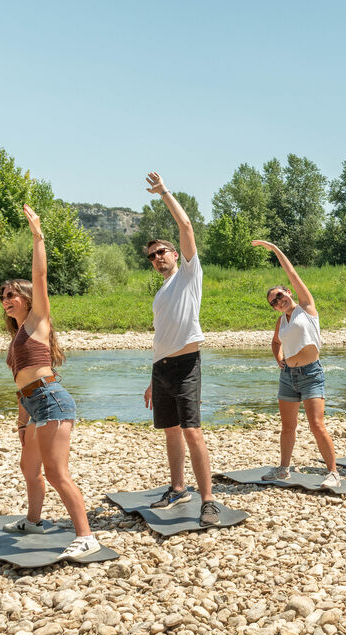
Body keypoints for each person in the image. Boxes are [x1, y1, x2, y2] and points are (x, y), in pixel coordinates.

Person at [0, 204, 101, 560]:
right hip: (31, 404)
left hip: (52, 400)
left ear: (27, 299)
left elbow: (40, 276)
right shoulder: (16, 338)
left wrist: (37, 234)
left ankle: (87, 536)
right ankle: (33, 521)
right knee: (29, 468)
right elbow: (19, 384)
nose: (6, 300)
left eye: (11, 295)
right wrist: (21, 420)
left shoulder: (38, 321)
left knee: (57, 473)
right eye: (3, 297)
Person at [141, 172, 220, 526]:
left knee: (192, 431)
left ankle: (209, 501)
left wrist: (164, 193)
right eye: (152, 256)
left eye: (162, 252)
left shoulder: (189, 274)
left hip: (187, 364)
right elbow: (162, 335)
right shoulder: (161, 293)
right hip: (163, 368)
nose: (158, 257)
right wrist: (152, 376)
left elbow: (186, 224)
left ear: (175, 254)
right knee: (171, 431)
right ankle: (177, 488)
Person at [252, 240, 340, 489]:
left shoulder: (306, 307)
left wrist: (274, 249)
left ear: (288, 292)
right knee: (288, 426)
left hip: (312, 374)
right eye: (273, 302)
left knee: (316, 425)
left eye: (279, 296)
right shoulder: (282, 321)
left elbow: (292, 272)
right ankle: (283, 469)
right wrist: (279, 360)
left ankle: (332, 472)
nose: (278, 302)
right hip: (289, 376)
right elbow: (275, 342)